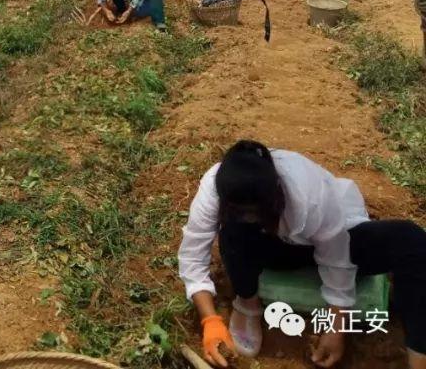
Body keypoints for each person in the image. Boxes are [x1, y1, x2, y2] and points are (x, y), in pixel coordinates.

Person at [179, 140, 426, 369]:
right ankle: (247, 303)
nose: (251, 217)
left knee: (410, 239)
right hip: (272, 250)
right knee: (234, 230)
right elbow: (192, 257)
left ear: (276, 195)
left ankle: (420, 353)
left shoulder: (310, 193)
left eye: (258, 212)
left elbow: (336, 257)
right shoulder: (214, 188)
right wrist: (210, 321)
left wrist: (335, 324)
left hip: (329, 241)